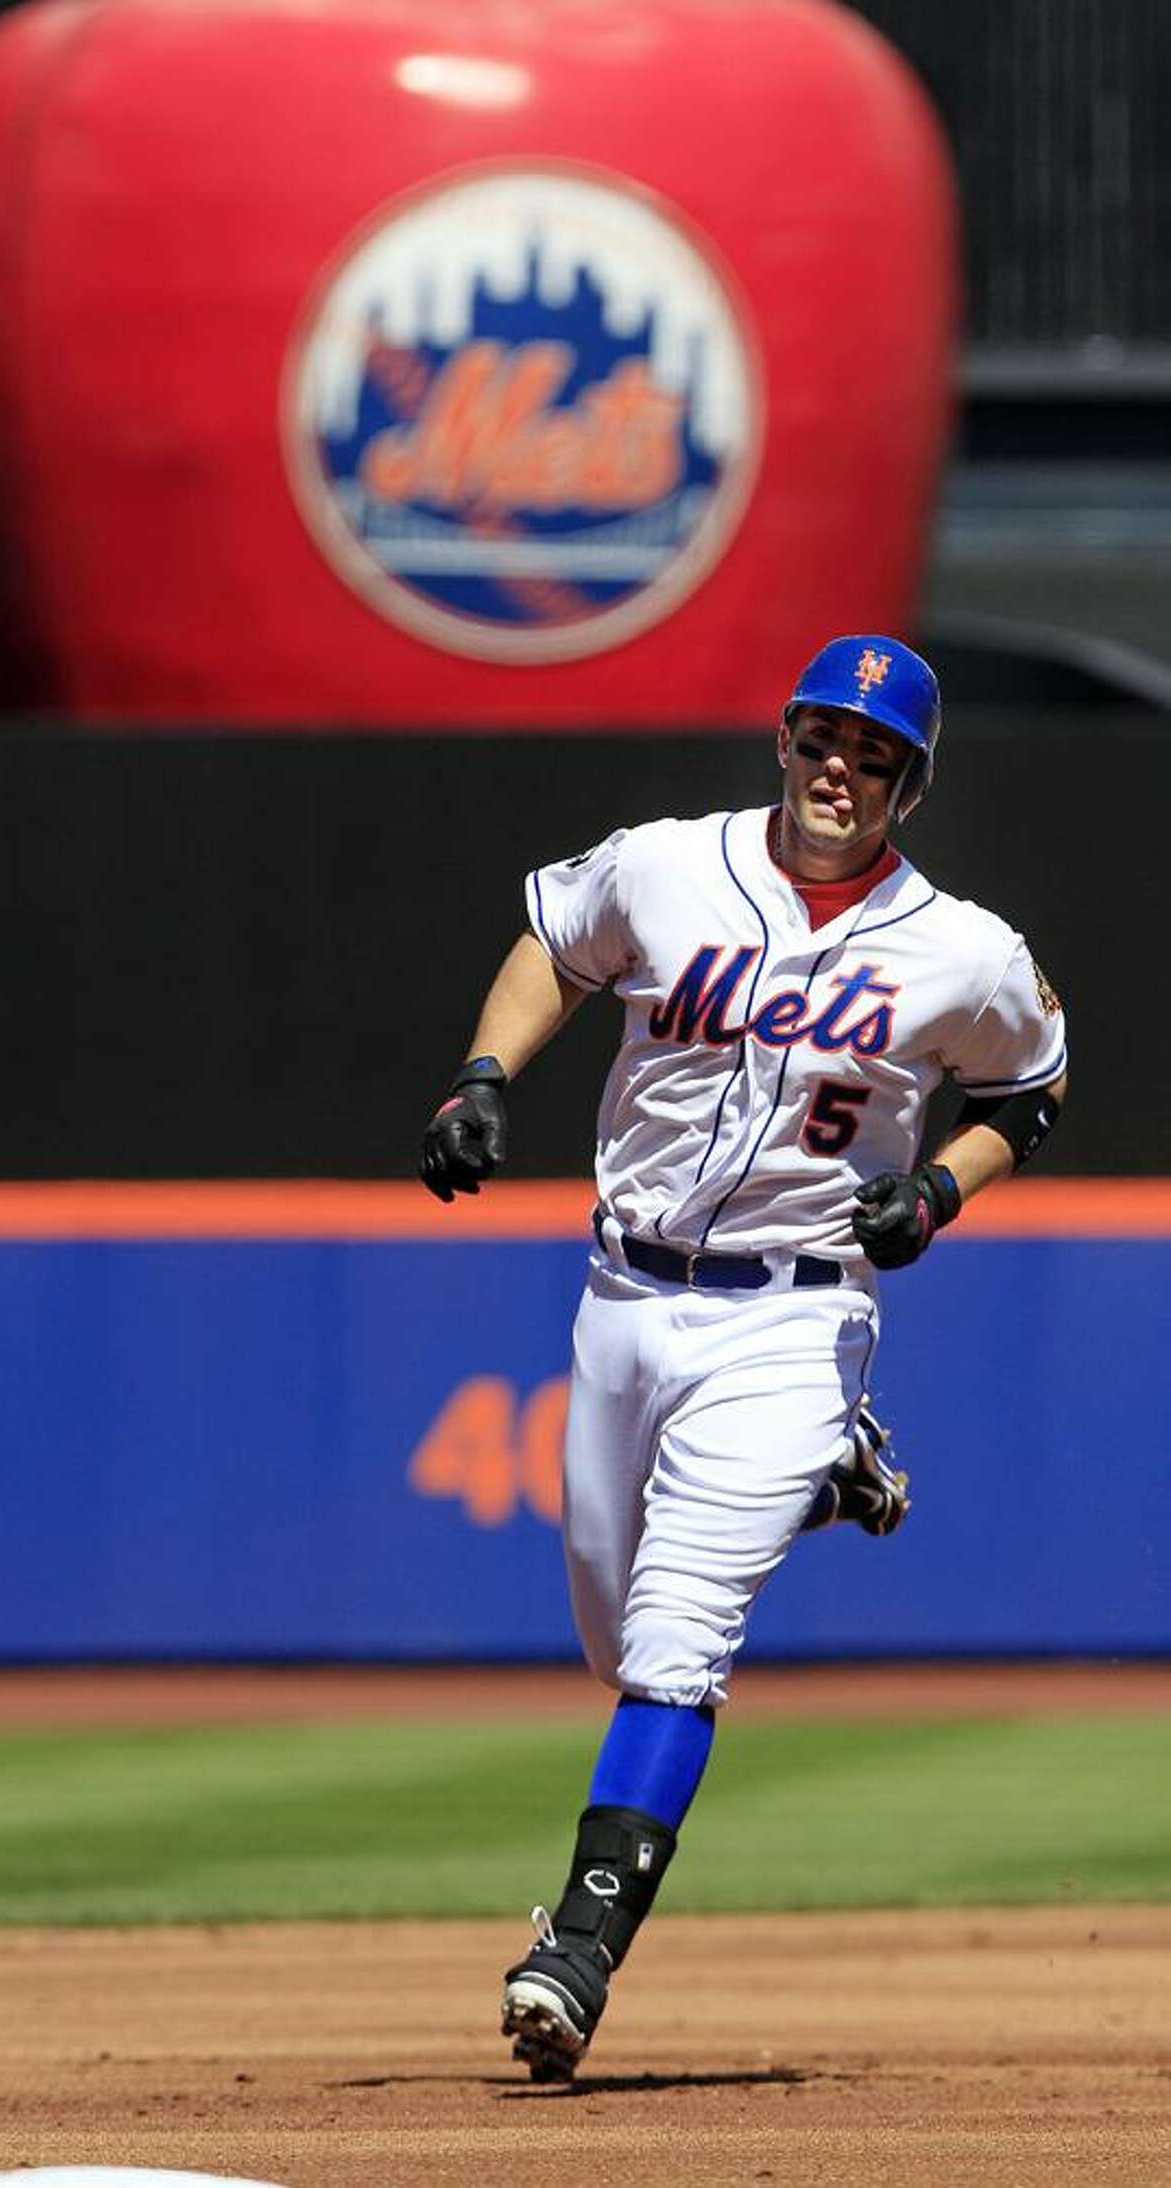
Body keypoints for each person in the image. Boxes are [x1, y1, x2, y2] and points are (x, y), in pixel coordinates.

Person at [419, 634, 1068, 2081]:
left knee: (674, 1645)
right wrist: (482, 1077)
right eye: (826, 738)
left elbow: (1030, 1088)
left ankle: (575, 1954)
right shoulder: (667, 865)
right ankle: (831, 1474)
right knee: (608, 1630)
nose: (845, 768)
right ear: (785, 739)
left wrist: (942, 1188)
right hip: (624, 1291)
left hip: (796, 1311)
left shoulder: (961, 948)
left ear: (911, 782)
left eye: (878, 752)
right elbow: (554, 946)